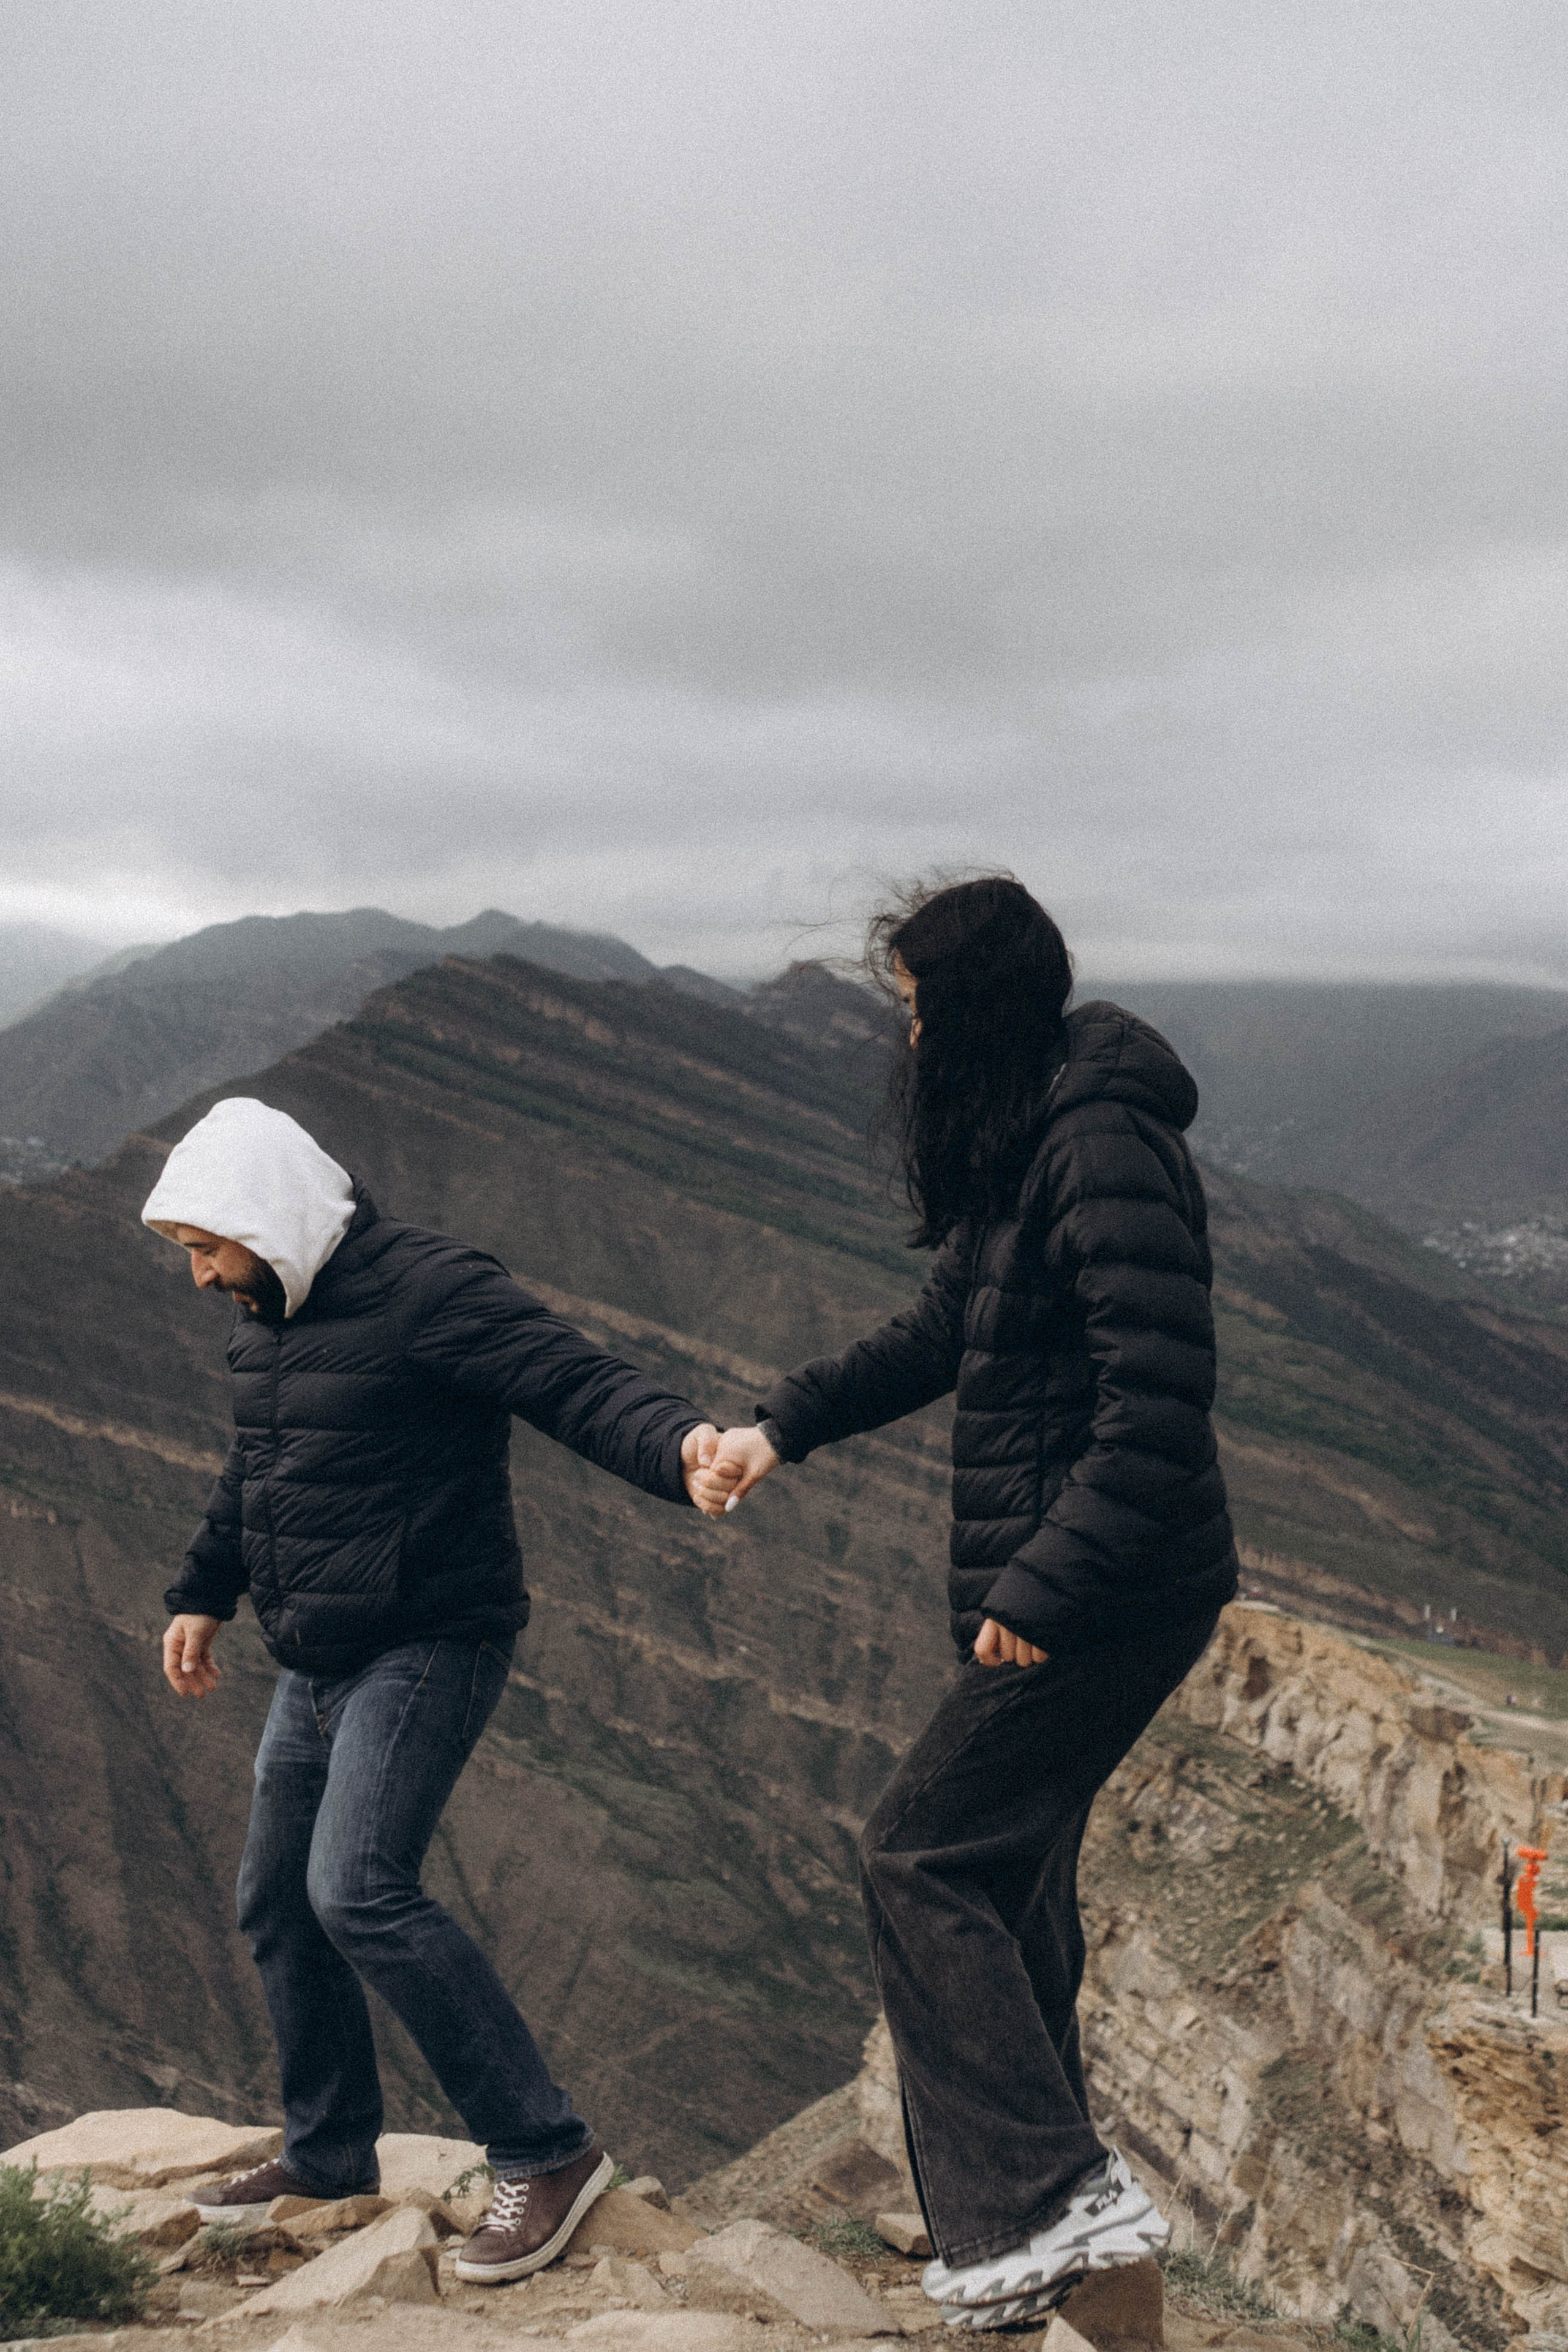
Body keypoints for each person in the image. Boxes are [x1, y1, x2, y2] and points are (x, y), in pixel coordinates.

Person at [695, 878, 1239, 2331]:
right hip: (1082, 1575)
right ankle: (1071, 2277)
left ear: (974, 1010)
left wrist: (1045, 1581)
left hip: (1111, 1587)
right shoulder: (1033, 1133)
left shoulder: (1098, 1142)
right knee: (1007, 1893)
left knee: (917, 1853)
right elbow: (945, 1329)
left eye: (918, 1011)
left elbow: (1156, 1402)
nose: (910, 1041)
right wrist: (779, 1427)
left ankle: (1046, 2202)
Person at [144, 1096, 728, 2285]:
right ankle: (325, 2155)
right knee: (278, 1901)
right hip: (316, 1655)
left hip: (428, 1642)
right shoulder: (268, 1318)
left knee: (356, 1887)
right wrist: (203, 1591)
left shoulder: (428, 1289)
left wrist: (679, 1447)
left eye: (208, 1247)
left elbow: (573, 1380)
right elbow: (259, 1467)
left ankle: (547, 2152)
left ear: (268, 1218)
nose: (200, 1274)